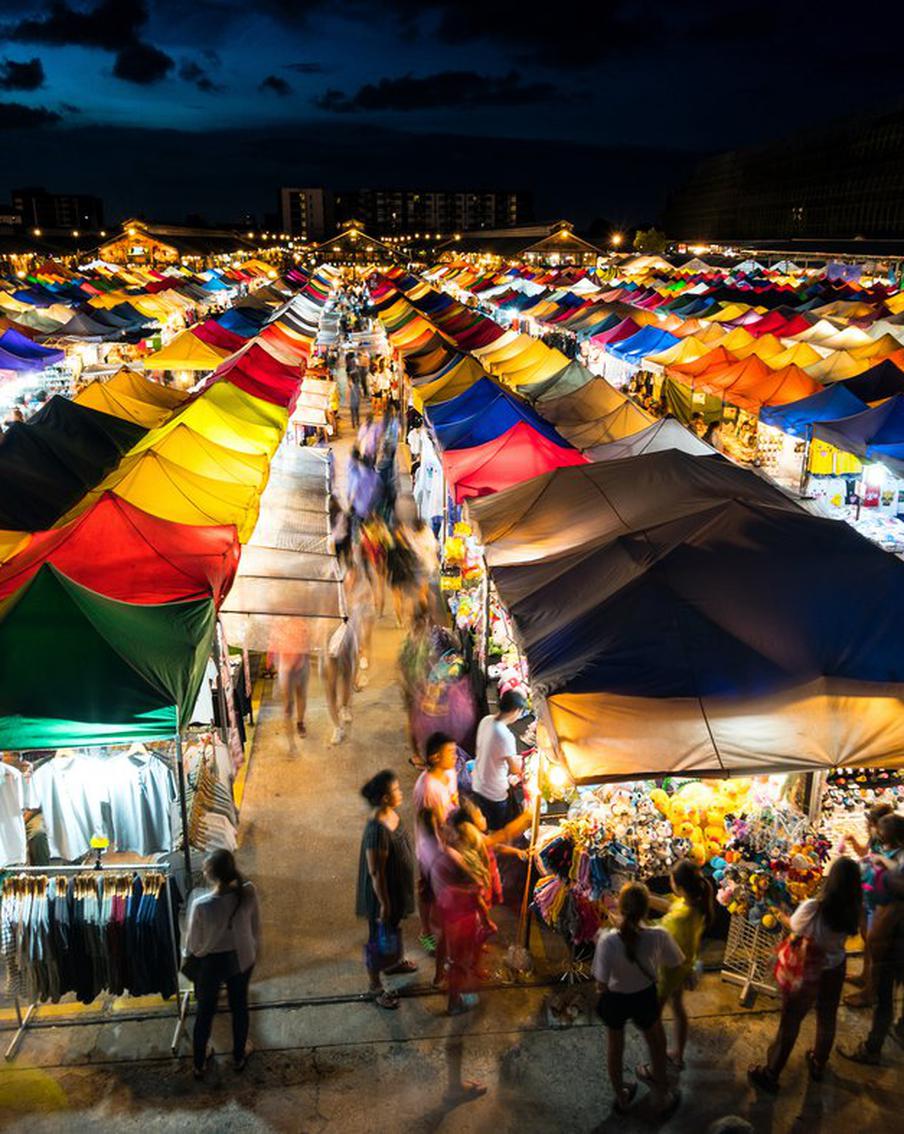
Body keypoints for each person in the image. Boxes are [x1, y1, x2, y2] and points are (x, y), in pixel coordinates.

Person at [748, 855, 862, 1093]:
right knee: (827, 1017)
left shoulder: (814, 907)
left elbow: (796, 926)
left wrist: (781, 914)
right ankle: (819, 1063)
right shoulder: (854, 910)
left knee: (790, 1023)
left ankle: (771, 1073)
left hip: (807, 968)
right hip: (835, 968)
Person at [593, 882, 682, 1118]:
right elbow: (675, 962)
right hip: (645, 996)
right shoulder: (659, 936)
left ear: (620, 908)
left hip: (615, 999)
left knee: (615, 1048)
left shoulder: (607, 940)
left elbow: (601, 983)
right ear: (646, 910)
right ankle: (661, 1097)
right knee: (656, 1043)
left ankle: (621, 1097)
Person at [184, 850, 260, 1079]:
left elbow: (193, 944)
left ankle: (199, 1061)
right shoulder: (248, 892)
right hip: (241, 959)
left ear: (211, 875)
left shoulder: (202, 904)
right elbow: (255, 927)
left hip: (211, 963)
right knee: (239, 1007)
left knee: (205, 1012)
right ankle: (239, 1055)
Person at [839, 812, 904, 1064]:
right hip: (892, 941)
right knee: (887, 997)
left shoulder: (894, 877)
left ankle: (871, 1049)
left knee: (884, 999)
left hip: (891, 943)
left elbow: (885, 895)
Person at [356, 770, 416, 1009]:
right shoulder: (376, 830)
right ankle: (375, 987)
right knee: (377, 939)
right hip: (381, 895)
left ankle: (393, 963)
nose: (401, 793)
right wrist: (384, 903)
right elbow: (375, 872)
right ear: (384, 798)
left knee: (392, 928)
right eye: (396, 791)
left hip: (395, 889)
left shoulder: (391, 814)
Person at [647, 858, 714, 1069]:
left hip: (667, 972)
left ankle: (657, 1066)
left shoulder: (680, 918)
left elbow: (655, 933)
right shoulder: (695, 904)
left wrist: (625, 922)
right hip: (683, 967)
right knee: (678, 1008)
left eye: (672, 881)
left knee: (651, 1019)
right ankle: (677, 1054)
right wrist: (646, 897)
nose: (670, 884)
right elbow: (669, 905)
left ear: (680, 887)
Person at [843, 801, 895, 1006]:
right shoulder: (877, 838)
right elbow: (865, 853)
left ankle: (870, 993)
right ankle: (864, 976)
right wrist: (853, 841)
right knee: (867, 939)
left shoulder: (893, 848)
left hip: (881, 902)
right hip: (867, 895)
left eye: (871, 823)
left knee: (875, 945)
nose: (868, 826)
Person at [470, 690, 526, 831]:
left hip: (477, 783)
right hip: (494, 792)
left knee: (485, 822)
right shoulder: (506, 736)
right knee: (498, 828)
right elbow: (515, 769)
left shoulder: (486, 720)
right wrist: (520, 763)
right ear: (515, 712)